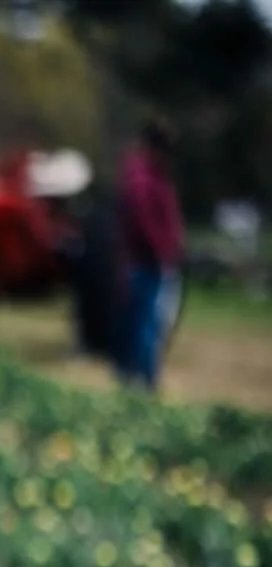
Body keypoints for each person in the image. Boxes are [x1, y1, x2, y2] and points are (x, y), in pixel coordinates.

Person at [114, 118, 184, 390]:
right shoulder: (142, 180)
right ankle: (144, 381)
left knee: (141, 322)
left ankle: (134, 377)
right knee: (147, 324)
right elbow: (144, 221)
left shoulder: (148, 176)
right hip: (147, 262)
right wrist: (163, 251)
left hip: (146, 261)